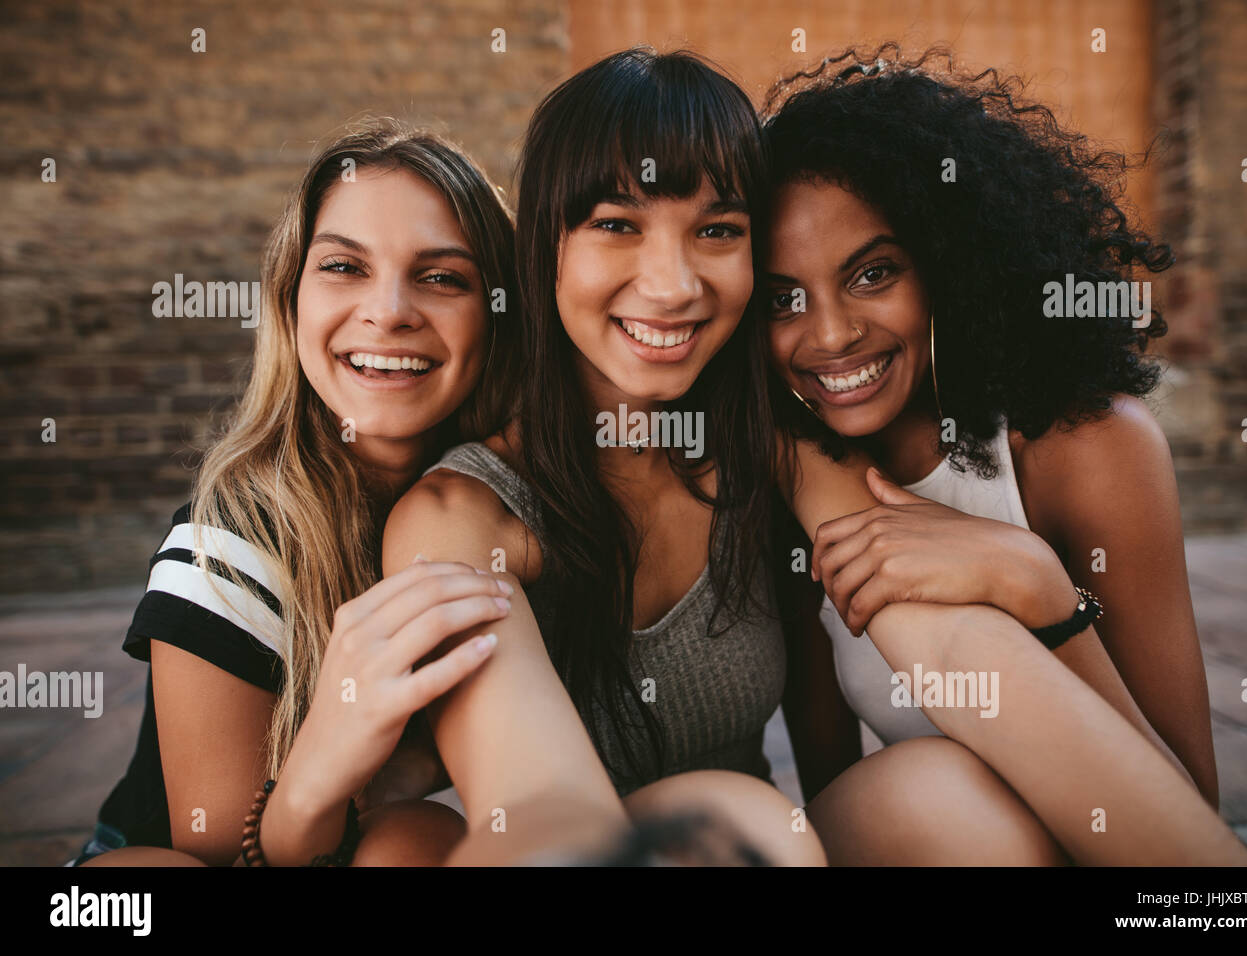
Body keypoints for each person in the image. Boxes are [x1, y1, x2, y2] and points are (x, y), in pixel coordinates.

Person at [760, 44, 1247, 864]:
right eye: (782, 298)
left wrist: (1038, 587)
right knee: (933, 788)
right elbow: (828, 767)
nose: (832, 334)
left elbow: (1185, 814)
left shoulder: (1086, 447)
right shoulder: (797, 472)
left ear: (949, 268)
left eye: (874, 274)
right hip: (950, 844)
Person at [384, 48, 826, 866]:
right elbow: (531, 803)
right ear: (543, 249)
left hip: (772, 848)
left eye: (718, 230)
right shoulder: (459, 518)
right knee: (740, 818)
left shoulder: (769, 450)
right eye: (617, 225)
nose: (672, 285)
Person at [78, 118, 521, 866]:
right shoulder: (227, 547)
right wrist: (330, 763)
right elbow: (218, 846)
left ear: (500, 318)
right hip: (200, 857)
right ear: (289, 302)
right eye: (345, 267)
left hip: (379, 841)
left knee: (420, 843)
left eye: (443, 276)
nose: (389, 311)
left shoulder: (503, 515)